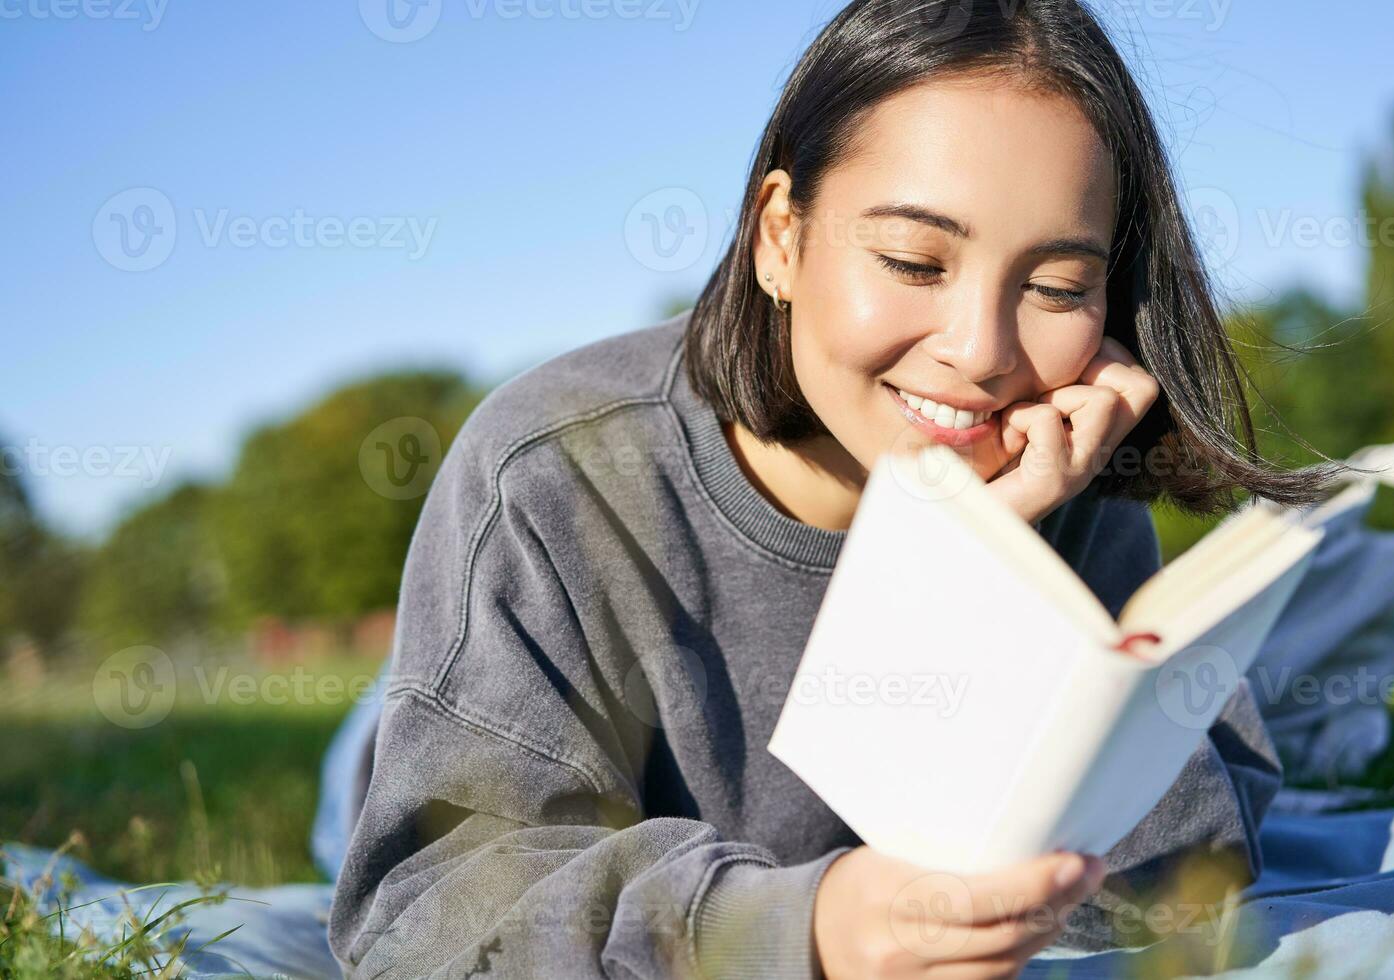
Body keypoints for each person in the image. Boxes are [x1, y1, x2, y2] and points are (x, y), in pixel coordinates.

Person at [327, 1, 1341, 976]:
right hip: (488, 717)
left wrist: (985, 569)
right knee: (369, 773)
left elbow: (1182, 883)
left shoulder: (1059, 465)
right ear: (780, 235)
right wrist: (812, 928)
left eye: (1056, 286)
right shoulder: (553, 473)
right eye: (912, 258)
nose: (982, 353)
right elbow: (427, 912)